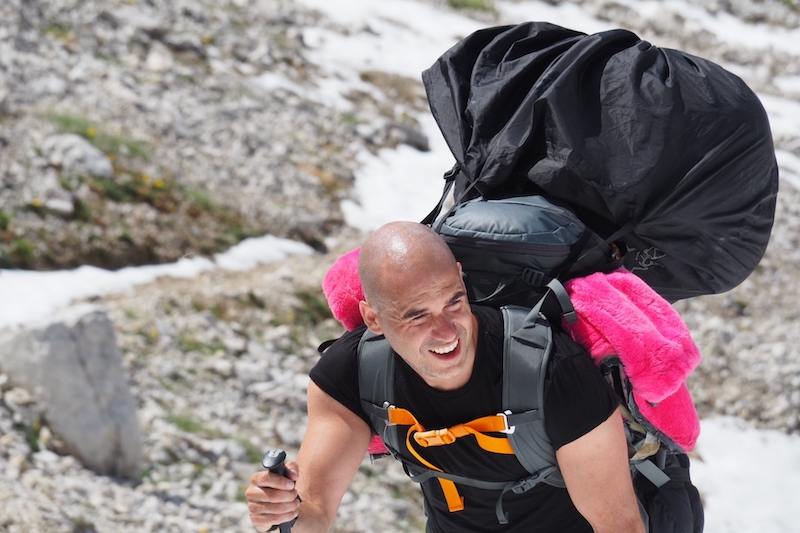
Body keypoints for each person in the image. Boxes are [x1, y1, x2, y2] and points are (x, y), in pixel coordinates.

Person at [245, 221, 646, 532]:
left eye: (453, 301)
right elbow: (313, 512)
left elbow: (617, 525)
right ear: (373, 319)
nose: (446, 331)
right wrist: (280, 511)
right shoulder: (352, 374)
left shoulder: (553, 371)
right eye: (417, 315)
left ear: (460, 277)